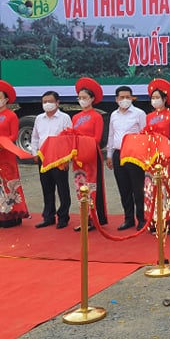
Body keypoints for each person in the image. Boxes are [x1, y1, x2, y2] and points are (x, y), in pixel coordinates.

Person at [127, 79, 170, 232]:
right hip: (151, 157)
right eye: (153, 98)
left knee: (166, 186)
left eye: (158, 98)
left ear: (165, 99)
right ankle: (153, 220)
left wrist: (160, 137)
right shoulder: (149, 116)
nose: (155, 100)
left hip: (166, 156)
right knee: (151, 187)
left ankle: (168, 220)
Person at [0, 80, 30, 228]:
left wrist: (0, 143)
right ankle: (1, 215)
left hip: (7, 153)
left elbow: (14, 136)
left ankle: (14, 215)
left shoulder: (11, 116)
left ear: (6, 99)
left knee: (9, 184)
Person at [30, 90, 73, 229]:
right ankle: (48, 216)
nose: (47, 104)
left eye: (50, 101)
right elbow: (35, 137)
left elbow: (69, 138)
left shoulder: (64, 117)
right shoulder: (39, 118)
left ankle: (63, 217)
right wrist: (34, 152)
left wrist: (66, 158)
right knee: (46, 187)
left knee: (62, 188)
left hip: (59, 158)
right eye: (44, 102)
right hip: (43, 156)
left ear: (57, 102)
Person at [106, 85, 147, 231]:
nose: (125, 100)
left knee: (138, 188)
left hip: (134, 154)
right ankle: (128, 219)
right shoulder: (114, 115)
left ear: (132, 98)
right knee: (124, 188)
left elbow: (144, 135)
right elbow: (111, 135)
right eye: (122, 97)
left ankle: (141, 219)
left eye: (128, 97)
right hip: (118, 153)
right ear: (116, 99)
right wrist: (109, 155)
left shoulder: (139, 113)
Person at [71, 77, 108, 230]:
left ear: (92, 99)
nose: (82, 100)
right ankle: (84, 218)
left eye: (85, 97)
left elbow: (97, 139)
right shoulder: (75, 117)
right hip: (77, 158)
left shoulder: (97, 116)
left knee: (92, 186)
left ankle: (94, 218)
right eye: (79, 98)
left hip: (92, 156)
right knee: (80, 186)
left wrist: (82, 141)